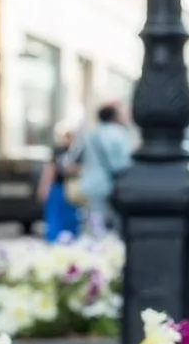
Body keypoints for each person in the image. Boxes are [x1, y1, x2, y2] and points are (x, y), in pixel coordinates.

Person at [68, 103, 132, 236]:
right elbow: (125, 162)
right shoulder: (120, 134)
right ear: (115, 117)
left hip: (90, 184)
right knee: (116, 225)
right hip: (114, 185)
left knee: (94, 224)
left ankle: (96, 249)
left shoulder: (89, 135)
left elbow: (72, 158)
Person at [37, 122, 81, 243]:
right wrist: (44, 187)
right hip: (58, 187)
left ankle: (70, 240)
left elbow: (83, 168)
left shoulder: (77, 152)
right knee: (55, 217)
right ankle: (54, 240)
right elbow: (49, 170)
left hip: (72, 188)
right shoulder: (58, 151)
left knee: (71, 217)